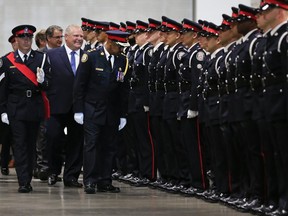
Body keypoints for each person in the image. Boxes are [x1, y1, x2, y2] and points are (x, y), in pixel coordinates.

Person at [73, 30, 130, 194]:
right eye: (119, 46)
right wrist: (78, 110)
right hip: (92, 109)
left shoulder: (122, 60)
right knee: (91, 145)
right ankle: (90, 180)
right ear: (110, 43)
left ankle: (105, 180)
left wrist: (122, 115)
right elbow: (79, 85)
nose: (121, 50)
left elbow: (123, 90)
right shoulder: (91, 57)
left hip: (112, 112)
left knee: (109, 147)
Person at [0, 24, 51, 193]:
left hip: (35, 107)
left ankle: (28, 175)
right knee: (20, 144)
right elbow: (3, 89)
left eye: (29, 38)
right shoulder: (7, 61)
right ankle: (23, 181)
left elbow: (48, 86)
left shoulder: (41, 58)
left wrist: (43, 81)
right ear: (16, 40)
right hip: (16, 107)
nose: (26, 40)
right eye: (23, 38)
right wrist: (3, 111)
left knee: (31, 145)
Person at [46, 24, 84, 188]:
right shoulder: (52, 55)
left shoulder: (87, 56)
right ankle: (53, 171)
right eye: (75, 36)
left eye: (81, 36)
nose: (79, 39)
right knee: (53, 138)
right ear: (66, 37)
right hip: (57, 105)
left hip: (79, 108)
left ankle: (71, 176)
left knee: (76, 142)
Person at [34, 25, 64, 181]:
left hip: (59, 102)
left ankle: (51, 169)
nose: (60, 40)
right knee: (43, 136)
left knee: (54, 138)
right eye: (57, 37)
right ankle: (42, 167)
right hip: (43, 101)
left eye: (61, 37)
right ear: (48, 39)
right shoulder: (40, 55)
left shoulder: (63, 54)